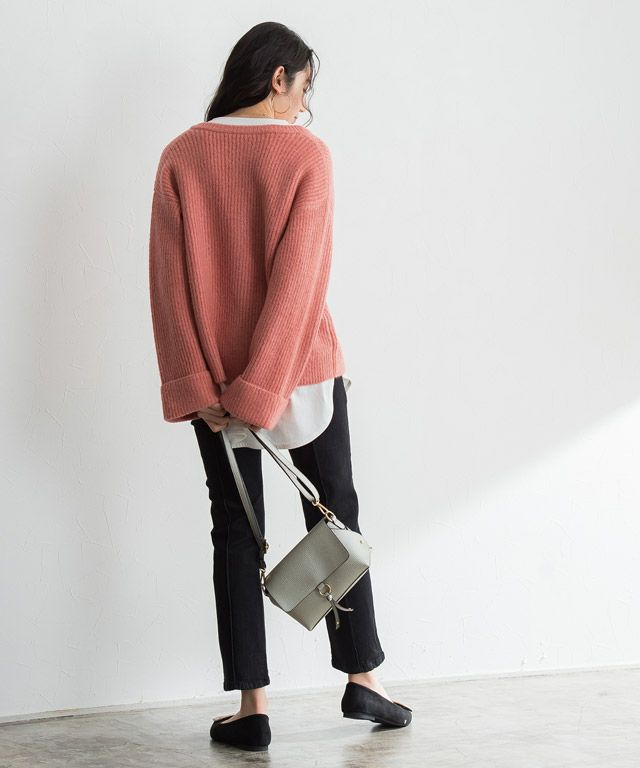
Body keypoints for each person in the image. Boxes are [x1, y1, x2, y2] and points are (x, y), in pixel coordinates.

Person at [148, 21, 412, 751]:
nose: (304, 106)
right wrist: (263, 388)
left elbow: (169, 289)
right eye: (304, 88)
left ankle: (251, 706)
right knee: (336, 519)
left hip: (216, 389)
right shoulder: (305, 155)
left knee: (235, 533)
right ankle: (362, 677)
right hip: (304, 372)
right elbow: (300, 285)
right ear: (277, 78)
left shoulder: (181, 156)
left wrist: (205, 388)